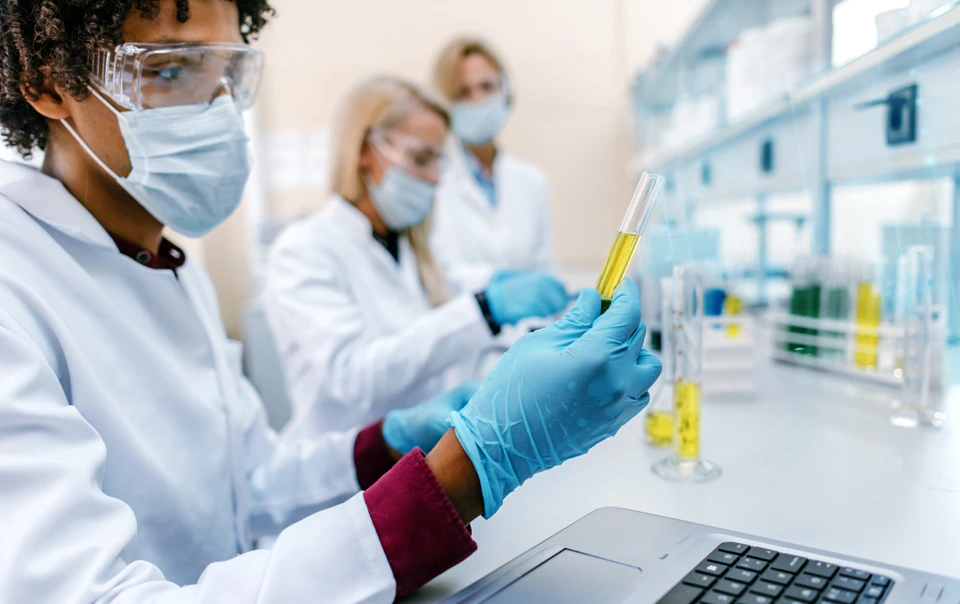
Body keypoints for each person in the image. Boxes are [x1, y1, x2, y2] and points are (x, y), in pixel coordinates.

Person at [0, 1, 662, 602]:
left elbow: (251, 487)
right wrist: (473, 466)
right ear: (47, 80)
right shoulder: (15, 283)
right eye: (172, 70)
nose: (217, 111)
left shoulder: (165, 266)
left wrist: (393, 443)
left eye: (229, 75)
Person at [264, 77, 569, 437]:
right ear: (364, 150)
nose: (435, 180)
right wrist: (484, 309)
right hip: (346, 478)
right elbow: (355, 376)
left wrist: (503, 292)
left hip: (422, 464)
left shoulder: (409, 244)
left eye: (438, 162)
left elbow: (451, 291)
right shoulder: (304, 250)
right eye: (421, 159)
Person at [431, 37, 557, 291]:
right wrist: (499, 286)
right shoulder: (431, 180)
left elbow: (544, 268)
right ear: (444, 105)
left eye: (487, 87)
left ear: (506, 91)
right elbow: (439, 275)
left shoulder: (531, 182)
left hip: (530, 329)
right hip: (464, 326)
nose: (478, 101)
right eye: (463, 92)